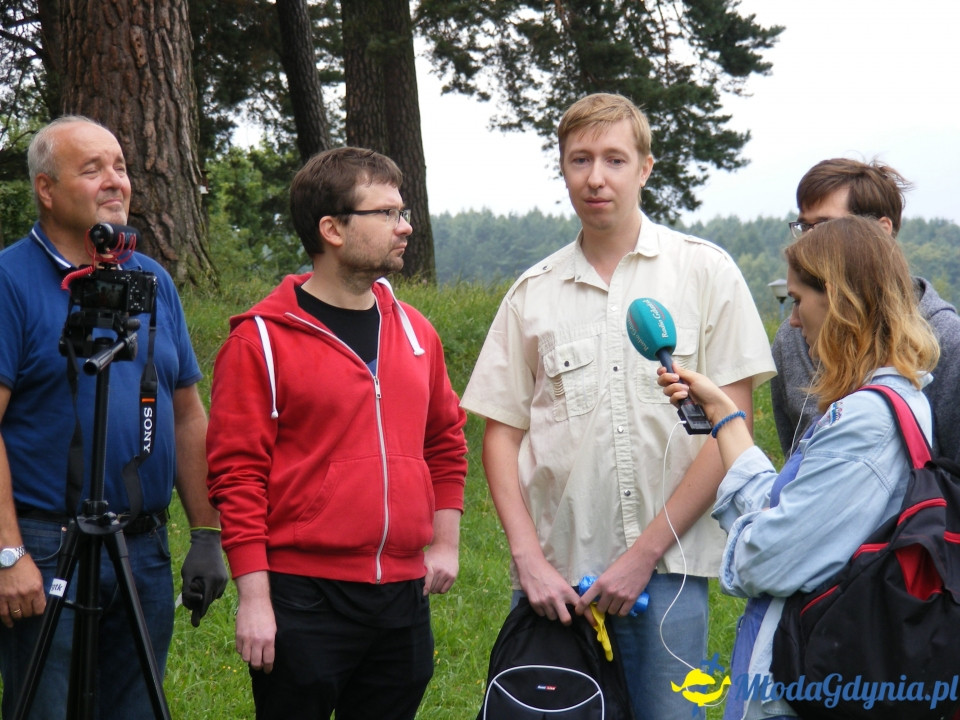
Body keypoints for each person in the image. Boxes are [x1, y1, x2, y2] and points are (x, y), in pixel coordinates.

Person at [460, 93, 776, 720]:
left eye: (614, 159)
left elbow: (728, 428)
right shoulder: (532, 294)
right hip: (558, 585)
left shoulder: (705, 273)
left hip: (671, 576)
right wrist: (528, 561)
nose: (595, 178)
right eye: (579, 160)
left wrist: (642, 557)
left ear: (645, 168)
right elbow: (501, 434)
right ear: (563, 169)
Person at [205, 146, 468, 720]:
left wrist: (444, 543)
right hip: (304, 596)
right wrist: (255, 600)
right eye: (388, 214)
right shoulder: (259, 342)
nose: (406, 227)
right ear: (333, 230)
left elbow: (446, 441)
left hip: (403, 597)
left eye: (404, 212)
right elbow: (236, 476)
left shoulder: (417, 332)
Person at [658, 215, 940, 719]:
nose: (791, 319)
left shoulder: (867, 422)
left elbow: (765, 558)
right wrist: (724, 414)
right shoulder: (890, 401)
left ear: (837, 298)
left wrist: (748, 540)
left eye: (797, 300)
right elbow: (787, 511)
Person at [0, 116, 227, 719]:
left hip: (142, 544)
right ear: (46, 189)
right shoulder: (9, 281)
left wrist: (206, 532)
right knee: (45, 709)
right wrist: (7, 552)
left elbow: (185, 414)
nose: (115, 182)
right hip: (46, 543)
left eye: (121, 167)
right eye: (93, 168)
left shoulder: (150, 281)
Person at [770, 158, 960, 459]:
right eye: (803, 226)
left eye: (823, 226)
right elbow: (795, 464)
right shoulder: (792, 338)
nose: (809, 240)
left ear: (882, 232)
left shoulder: (948, 341)